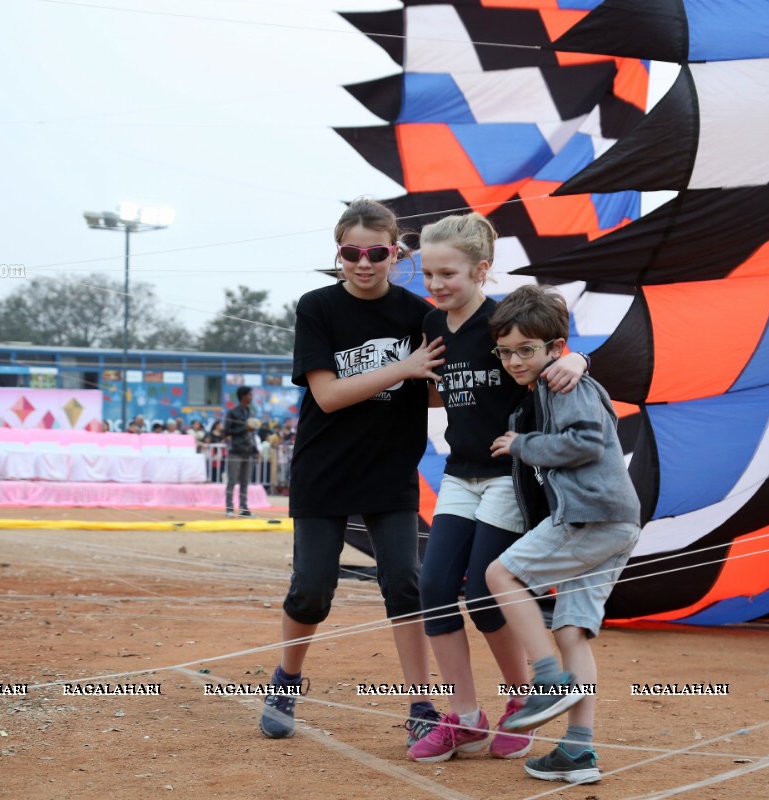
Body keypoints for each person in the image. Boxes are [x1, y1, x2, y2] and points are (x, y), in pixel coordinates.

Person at [259, 197, 447, 748]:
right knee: (313, 589)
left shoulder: (421, 315)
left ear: (396, 252)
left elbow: (436, 393)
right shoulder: (317, 307)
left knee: (405, 584)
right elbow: (329, 394)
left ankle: (422, 704)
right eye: (351, 252)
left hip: (389, 469)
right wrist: (405, 367)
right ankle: (286, 682)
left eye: (376, 252)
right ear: (338, 252)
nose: (364, 262)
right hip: (325, 469)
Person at [407, 213, 588, 763]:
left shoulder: (500, 320)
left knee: (487, 592)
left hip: (510, 475)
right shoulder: (432, 327)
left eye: (449, 274)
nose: (436, 285)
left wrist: (578, 358)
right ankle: (464, 716)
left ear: (481, 270)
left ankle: (521, 702)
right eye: (428, 273)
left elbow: (553, 349)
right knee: (434, 586)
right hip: (460, 475)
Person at [485, 285, 641, 785]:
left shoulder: (562, 384)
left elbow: (585, 442)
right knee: (571, 628)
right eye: (505, 351)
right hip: (615, 522)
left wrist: (521, 444)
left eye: (525, 350)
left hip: (590, 518)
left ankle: (549, 678)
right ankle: (578, 752)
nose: (513, 360)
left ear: (556, 349)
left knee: (501, 573)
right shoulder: (557, 382)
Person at [224, 386, 257, 518]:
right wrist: (244, 429)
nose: (251, 397)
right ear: (243, 396)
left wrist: (256, 449)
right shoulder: (232, 412)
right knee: (232, 480)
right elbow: (226, 431)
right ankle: (229, 507)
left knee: (245, 481)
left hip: (248, 451)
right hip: (236, 451)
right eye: (249, 395)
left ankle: (244, 507)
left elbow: (251, 433)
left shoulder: (249, 411)